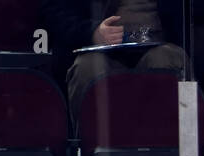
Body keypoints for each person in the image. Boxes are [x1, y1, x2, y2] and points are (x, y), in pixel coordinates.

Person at [40, 0, 191, 122]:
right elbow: (54, 12)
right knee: (88, 68)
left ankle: (169, 154)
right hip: (97, 48)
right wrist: (93, 32)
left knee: (167, 60)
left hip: (160, 43)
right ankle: (93, 153)